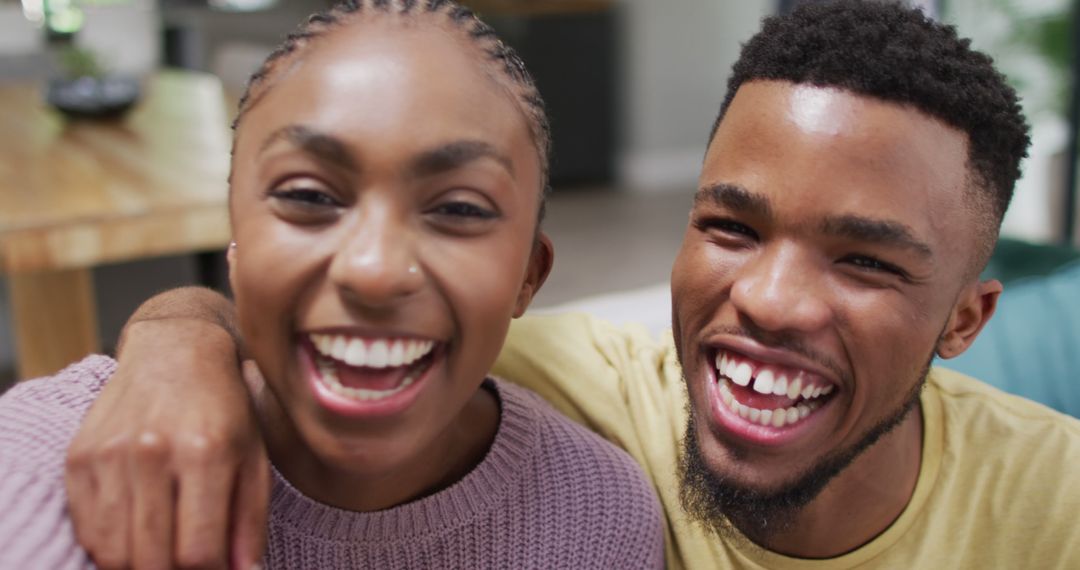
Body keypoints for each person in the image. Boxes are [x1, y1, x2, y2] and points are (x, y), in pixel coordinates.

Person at [51, 0, 1080, 568]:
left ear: (966, 316)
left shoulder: (1055, 500)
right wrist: (174, 343)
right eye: (731, 226)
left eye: (863, 260)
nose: (770, 299)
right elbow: (323, 325)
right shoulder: (571, 385)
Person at [0, 1, 667, 568]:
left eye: (459, 208)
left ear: (529, 275)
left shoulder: (601, 520)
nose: (373, 270)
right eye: (309, 195)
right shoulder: (39, 467)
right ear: (236, 239)